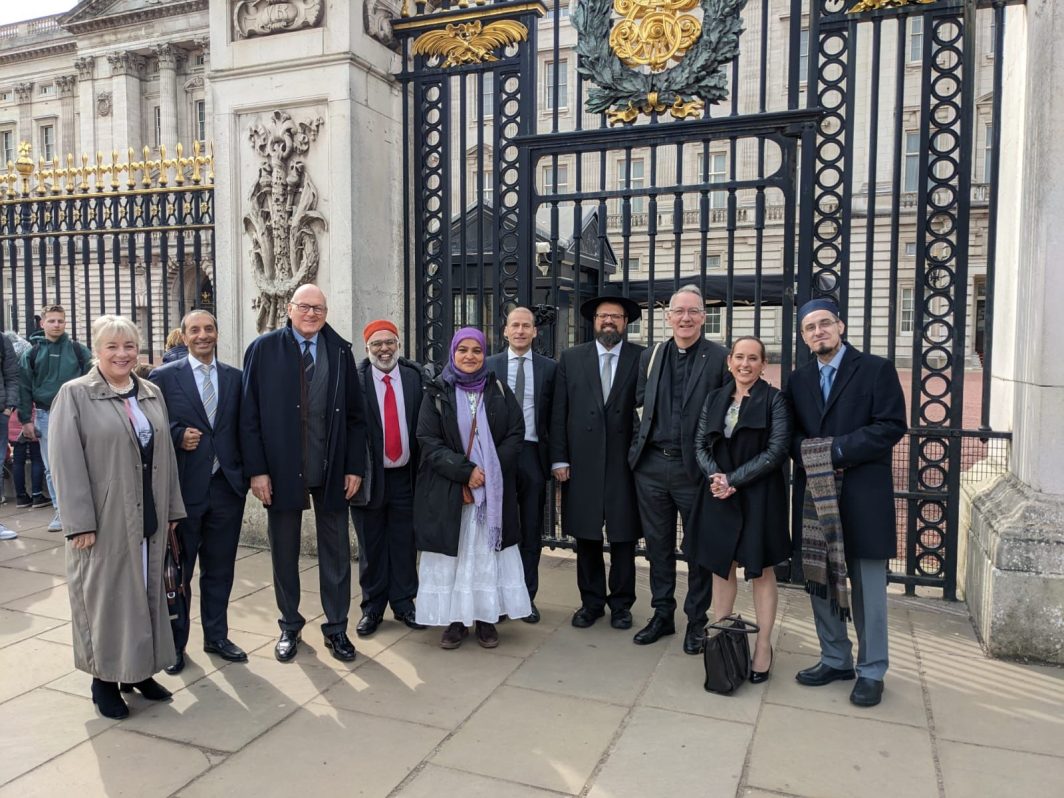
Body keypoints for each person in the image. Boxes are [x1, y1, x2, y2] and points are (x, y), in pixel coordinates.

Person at [49, 315, 186, 719]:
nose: (122, 354)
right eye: (112, 346)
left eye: (129, 346)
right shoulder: (75, 395)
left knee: (145, 595)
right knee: (106, 600)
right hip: (105, 519)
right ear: (96, 350)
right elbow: (64, 462)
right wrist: (79, 523)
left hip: (149, 514)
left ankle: (139, 672)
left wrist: (174, 508)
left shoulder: (150, 393)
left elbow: (167, 457)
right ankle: (104, 681)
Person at [785, 298, 906, 708]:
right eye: (809, 328)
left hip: (864, 496)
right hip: (816, 500)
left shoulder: (875, 369)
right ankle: (835, 658)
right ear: (803, 337)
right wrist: (811, 452)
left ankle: (872, 670)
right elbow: (791, 435)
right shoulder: (798, 379)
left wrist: (834, 451)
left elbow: (891, 426)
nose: (818, 332)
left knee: (868, 590)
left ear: (840, 326)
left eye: (825, 324)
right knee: (820, 580)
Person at [241, 284, 366, 663]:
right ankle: (289, 626)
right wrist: (257, 472)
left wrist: (354, 467)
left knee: (336, 553)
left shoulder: (340, 351)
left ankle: (337, 628)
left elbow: (357, 418)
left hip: (330, 470)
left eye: (319, 308)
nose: (311, 314)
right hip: (280, 471)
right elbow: (249, 416)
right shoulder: (264, 349)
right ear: (290, 309)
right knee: (284, 551)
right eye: (305, 307)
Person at [414, 327, 530, 649]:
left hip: (490, 497)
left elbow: (515, 434)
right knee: (454, 558)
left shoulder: (499, 390)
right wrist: (466, 472)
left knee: (484, 558)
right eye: (462, 350)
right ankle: (455, 622)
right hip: (452, 493)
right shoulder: (437, 393)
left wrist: (489, 471)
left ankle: (485, 619)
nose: (469, 356)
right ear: (452, 353)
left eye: (476, 350)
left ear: (484, 354)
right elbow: (428, 441)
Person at [628, 285, 729, 653]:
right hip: (652, 466)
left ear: (704, 317)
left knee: (698, 549)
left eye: (693, 311)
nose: (685, 318)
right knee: (658, 546)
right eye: (678, 311)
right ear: (667, 316)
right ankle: (662, 614)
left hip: (696, 470)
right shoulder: (652, 355)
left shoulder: (719, 358)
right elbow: (639, 402)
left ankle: (696, 621)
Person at [150, 310, 249, 675]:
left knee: (220, 569)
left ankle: (217, 636)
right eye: (195, 330)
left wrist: (250, 477)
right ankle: (176, 645)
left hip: (227, 488)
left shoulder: (236, 378)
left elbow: (246, 429)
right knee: (180, 573)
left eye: (208, 329)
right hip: (184, 491)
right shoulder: (162, 378)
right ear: (184, 335)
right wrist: (178, 435)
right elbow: (152, 428)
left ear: (217, 334)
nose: (203, 335)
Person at [692, 336, 791, 682]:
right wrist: (715, 477)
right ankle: (721, 638)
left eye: (753, 359)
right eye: (739, 357)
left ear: (764, 364)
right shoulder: (715, 398)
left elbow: (776, 451)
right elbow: (701, 443)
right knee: (723, 568)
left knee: (761, 570)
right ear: (729, 361)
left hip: (759, 496)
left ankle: (763, 645)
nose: (745, 364)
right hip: (720, 494)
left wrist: (734, 479)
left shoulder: (774, 400)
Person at [550, 285, 645, 630]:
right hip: (582, 463)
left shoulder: (642, 358)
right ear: (593, 321)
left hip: (625, 463)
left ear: (625, 323)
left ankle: (621, 605)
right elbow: (559, 412)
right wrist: (559, 459)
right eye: (603, 316)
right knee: (586, 535)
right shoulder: (572, 359)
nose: (609, 322)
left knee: (623, 537)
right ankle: (590, 603)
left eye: (615, 317)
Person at [350, 319, 428, 637]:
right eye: (377, 344)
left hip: (406, 477)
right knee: (371, 545)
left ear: (398, 345)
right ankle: (372, 607)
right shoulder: (355, 381)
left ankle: (404, 603)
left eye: (389, 342)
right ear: (367, 348)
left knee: (404, 542)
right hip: (370, 477)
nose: (384, 349)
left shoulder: (414, 377)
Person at [486, 306, 556, 623]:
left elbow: (557, 417)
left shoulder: (550, 369)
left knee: (530, 527)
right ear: (505, 331)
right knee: (497, 527)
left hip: (533, 454)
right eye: (514, 325)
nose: (520, 331)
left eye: (526, 326)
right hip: (497, 454)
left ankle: (526, 597)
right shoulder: (489, 367)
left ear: (534, 332)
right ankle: (497, 596)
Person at [18, 305, 92, 532]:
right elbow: (24, 387)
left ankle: (83, 510)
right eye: (52, 321)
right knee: (52, 467)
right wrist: (25, 420)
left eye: (60, 320)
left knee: (83, 464)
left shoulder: (78, 350)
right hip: (44, 414)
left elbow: (92, 378)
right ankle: (61, 512)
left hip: (77, 412)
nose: (56, 325)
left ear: (65, 322)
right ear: (43, 323)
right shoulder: (31, 353)